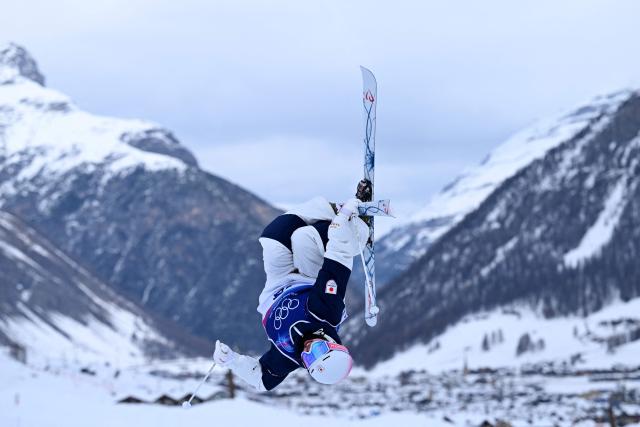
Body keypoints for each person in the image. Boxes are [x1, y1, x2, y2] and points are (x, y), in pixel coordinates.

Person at [213, 193, 369, 391]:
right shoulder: (325, 313)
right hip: (309, 279)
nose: (308, 349)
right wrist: (342, 229)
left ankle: (339, 221)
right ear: (333, 344)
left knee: (273, 235)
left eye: (308, 359)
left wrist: (231, 361)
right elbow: (337, 263)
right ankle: (358, 231)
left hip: (277, 286)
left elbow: (261, 381)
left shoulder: (287, 357)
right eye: (318, 349)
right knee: (304, 237)